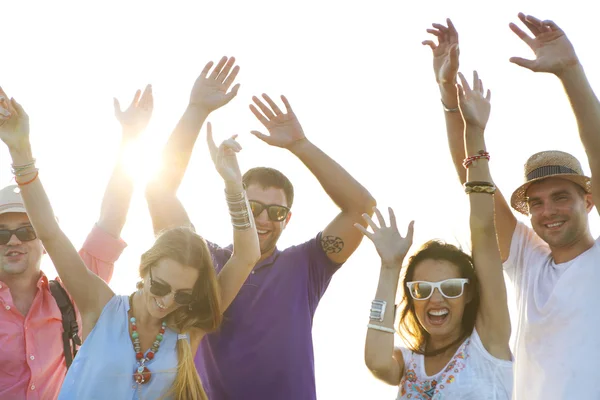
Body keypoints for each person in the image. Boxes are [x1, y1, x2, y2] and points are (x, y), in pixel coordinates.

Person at [0, 67, 260, 400]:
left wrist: (233, 186)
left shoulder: (185, 332)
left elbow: (247, 256)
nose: (167, 302)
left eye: (182, 295)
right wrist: (20, 150)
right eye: (161, 286)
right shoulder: (99, 305)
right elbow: (49, 232)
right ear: (145, 268)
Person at [144, 61, 377, 400]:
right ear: (237, 202)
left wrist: (300, 144)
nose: (263, 219)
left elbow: (361, 206)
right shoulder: (203, 259)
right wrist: (195, 111)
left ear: (288, 218)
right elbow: (159, 191)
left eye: (276, 211)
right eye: (252, 207)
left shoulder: (307, 265)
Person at [430, 14, 600, 399]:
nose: (548, 211)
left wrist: (570, 72)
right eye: (536, 203)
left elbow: (597, 148)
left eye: (561, 197)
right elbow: (471, 180)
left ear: (588, 201)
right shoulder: (528, 261)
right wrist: (447, 97)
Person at [359, 71, 512, 399]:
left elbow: (484, 232)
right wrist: (389, 268)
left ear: (469, 294)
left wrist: (475, 133)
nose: (436, 299)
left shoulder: (488, 344)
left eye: (451, 288)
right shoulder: (408, 361)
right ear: (411, 297)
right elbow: (374, 361)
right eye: (422, 289)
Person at [0, 83, 156, 398]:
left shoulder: (71, 295)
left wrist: (132, 138)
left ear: (43, 238)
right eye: (2, 234)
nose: (13, 241)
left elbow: (110, 223)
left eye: (27, 230)